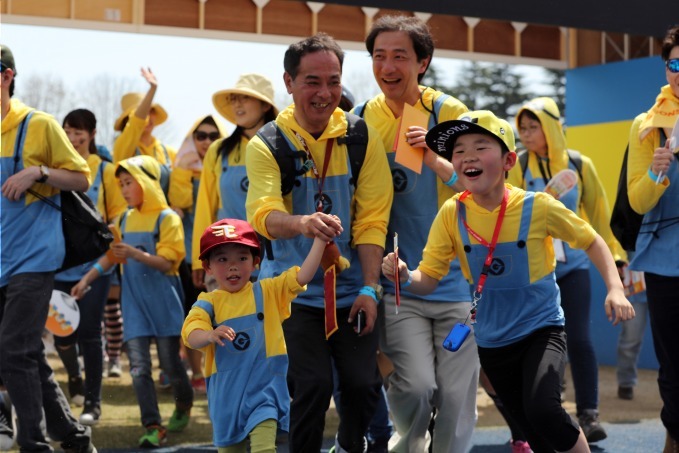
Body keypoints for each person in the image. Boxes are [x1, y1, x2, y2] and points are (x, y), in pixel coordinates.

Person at [382, 109, 635, 453]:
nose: (468, 155)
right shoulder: (451, 214)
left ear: (508, 160)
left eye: (481, 146)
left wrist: (616, 289)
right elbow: (427, 279)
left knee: (545, 410)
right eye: (458, 151)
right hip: (491, 341)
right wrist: (404, 275)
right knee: (532, 429)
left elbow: (591, 240)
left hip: (540, 329)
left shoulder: (538, 206)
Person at [245, 33, 393, 453]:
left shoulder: (361, 137)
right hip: (291, 292)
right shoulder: (268, 143)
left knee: (364, 384)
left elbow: (371, 219)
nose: (324, 93)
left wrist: (369, 288)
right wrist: (302, 223)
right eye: (312, 81)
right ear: (289, 83)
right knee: (310, 387)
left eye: (333, 81)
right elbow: (263, 215)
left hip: (351, 292)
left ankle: (350, 446)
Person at [356, 15, 479, 453]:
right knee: (416, 389)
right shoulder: (359, 121)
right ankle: (408, 445)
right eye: (379, 56)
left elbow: (479, 184)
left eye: (400, 57)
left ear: (422, 62)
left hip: (457, 283)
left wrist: (433, 155)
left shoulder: (448, 114)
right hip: (399, 285)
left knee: (457, 395)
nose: (388, 66)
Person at [506, 96, 626, 443]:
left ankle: (589, 414)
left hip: (572, 267)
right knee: (534, 342)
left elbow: (599, 215)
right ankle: (547, 412)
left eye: (534, 127)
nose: (527, 134)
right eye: (522, 128)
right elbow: (506, 209)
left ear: (553, 128)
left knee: (580, 339)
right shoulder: (518, 163)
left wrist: (616, 259)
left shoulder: (579, 164)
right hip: (532, 271)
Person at [0, 44, 97, 453]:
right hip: (1, 261)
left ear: (5, 76)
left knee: (13, 350)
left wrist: (37, 172)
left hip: (35, 259)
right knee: (25, 356)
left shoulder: (37, 124)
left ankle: (33, 444)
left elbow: (82, 178)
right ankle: (75, 439)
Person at [71, 155, 193, 448]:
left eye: (130, 182)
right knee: (138, 368)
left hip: (164, 303)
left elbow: (167, 263)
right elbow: (114, 254)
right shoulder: (124, 218)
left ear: (148, 183)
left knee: (170, 365)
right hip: (135, 305)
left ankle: (184, 403)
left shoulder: (169, 218)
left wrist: (135, 254)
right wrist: (88, 279)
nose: (124, 190)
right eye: (121, 184)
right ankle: (153, 425)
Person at [181, 218, 326, 451]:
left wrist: (321, 239)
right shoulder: (208, 302)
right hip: (227, 396)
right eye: (222, 259)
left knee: (264, 448)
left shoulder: (267, 292)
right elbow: (190, 333)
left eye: (242, 257)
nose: (233, 266)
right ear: (207, 267)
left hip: (264, 392)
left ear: (256, 262)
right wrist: (208, 334)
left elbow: (302, 276)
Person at [53, 109, 127, 425]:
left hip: (97, 265)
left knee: (89, 333)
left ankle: (93, 404)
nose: (72, 138)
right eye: (67, 131)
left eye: (79, 132)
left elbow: (117, 222)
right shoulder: (54, 170)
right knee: (61, 335)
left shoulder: (106, 171)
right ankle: (74, 377)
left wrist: (106, 261)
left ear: (92, 134)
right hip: (57, 266)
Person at [626, 24, 679, 453]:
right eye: (675, 64)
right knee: (674, 368)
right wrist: (657, 170)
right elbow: (638, 202)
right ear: (666, 70)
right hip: (666, 264)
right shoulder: (647, 124)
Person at [191, 73, 278, 289]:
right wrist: (197, 258)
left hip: (275, 259)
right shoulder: (218, 151)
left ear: (265, 105)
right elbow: (205, 207)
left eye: (245, 98)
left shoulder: (283, 146)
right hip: (227, 261)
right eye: (233, 99)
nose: (237, 105)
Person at [169, 114, 226, 393]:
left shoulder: (225, 167)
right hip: (190, 256)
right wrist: (182, 170)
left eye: (213, 136)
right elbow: (177, 206)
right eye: (200, 135)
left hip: (227, 253)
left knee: (225, 315)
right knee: (194, 314)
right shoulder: (180, 169)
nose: (206, 141)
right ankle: (197, 373)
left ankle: (223, 371)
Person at [113, 67, 175, 195]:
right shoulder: (123, 146)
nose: (147, 117)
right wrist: (152, 90)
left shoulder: (168, 152)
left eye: (151, 111)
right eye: (144, 112)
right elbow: (137, 123)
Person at [615, 254, 648, 401]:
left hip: (667, 277)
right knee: (631, 337)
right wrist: (617, 258)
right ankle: (626, 382)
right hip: (633, 282)